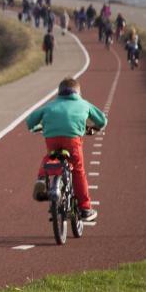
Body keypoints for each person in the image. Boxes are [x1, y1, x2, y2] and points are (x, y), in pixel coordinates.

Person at [26, 77, 106, 221]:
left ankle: (42, 179)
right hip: (72, 140)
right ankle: (85, 208)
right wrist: (96, 128)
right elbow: (102, 120)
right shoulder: (83, 104)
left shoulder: (50, 105)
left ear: (60, 92)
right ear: (77, 92)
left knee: (50, 157)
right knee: (78, 170)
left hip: (52, 138)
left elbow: (30, 121)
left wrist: (35, 128)